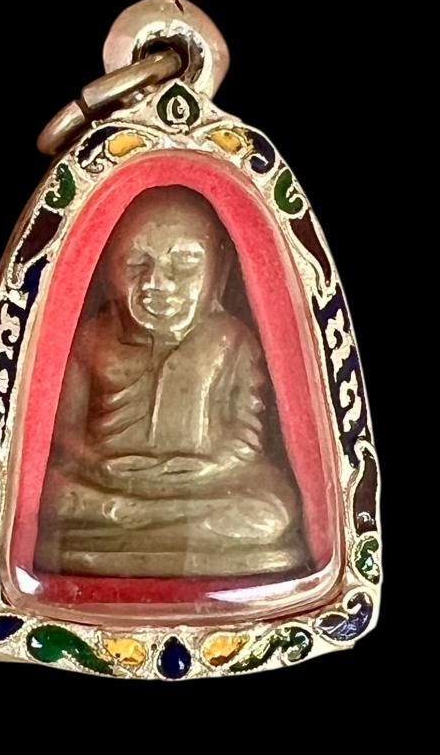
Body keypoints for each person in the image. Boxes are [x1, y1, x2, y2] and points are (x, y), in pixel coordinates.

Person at [35, 185, 308, 577]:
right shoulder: (91, 339)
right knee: (52, 500)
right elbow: (63, 433)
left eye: (184, 262)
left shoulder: (232, 340)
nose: (157, 283)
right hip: (108, 483)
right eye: (136, 263)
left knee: (272, 511)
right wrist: (100, 465)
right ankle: (129, 516)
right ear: (106, 269)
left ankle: (131, 518)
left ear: (219, 271)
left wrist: (211, 466)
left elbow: (248, 431)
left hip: (208, 483)